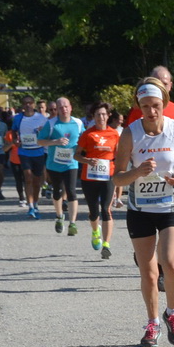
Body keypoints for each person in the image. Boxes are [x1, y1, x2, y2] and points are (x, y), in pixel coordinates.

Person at [115, 80, 174, 345]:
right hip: (140, 208)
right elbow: (117, 178)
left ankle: (172, 313)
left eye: (155, 106)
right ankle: (153, 323)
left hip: (170, 205)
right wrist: (136, 173)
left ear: (164, 104)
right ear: (138, 107)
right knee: (149, 272)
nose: (151, 112)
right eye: (145, 107)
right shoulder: (130, 134)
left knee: (171, 263)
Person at [79, 101, 121, 258]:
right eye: (98, 115)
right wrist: (87, 160)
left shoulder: (115, 134)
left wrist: (118, 169)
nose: (101, 117)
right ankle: (95, 231)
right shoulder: (87, 134)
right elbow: (77, 154)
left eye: (104, 114)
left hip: (107, 175)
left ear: (108, 116)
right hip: (89, 177)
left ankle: (106, 244)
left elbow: (119, 155)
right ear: (93, 116)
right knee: (93, 212)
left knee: (105, 209)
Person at [38, 96, 85, 236]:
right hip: (54, 164)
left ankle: (72, 223)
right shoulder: (51, 124)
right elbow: (40, 141)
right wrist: (55, 142)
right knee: (57, 191)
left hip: (71, 163)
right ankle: (59, 216)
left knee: (71, 191)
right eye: (60, 107)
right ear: (57, 110)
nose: (64, 109)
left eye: (66, 106)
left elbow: (85, 139)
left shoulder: (78, 123)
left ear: (70, 107)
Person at [14, 96, 48, 218]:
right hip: (24, 152)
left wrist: (41, 131)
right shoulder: (18, 118)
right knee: (28, 177)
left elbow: (47, 133)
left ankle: (36, 203)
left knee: (36, 181)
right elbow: (14, 132)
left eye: (30, 103)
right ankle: (30, 206)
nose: (27, 105)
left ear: (33, 104)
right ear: (22, 105)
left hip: (38, 151)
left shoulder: (41, 118)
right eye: (25, 103)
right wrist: (16, 140)